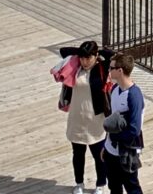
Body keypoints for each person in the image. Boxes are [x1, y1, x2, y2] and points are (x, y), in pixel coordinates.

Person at [58, 40, 114, 194]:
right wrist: (82, 51)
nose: (84, 61)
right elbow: (63, 50)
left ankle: (100, 185)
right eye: (82, 57)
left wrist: (98, 53)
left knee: (99, 156)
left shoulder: (102, 68)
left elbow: (114, 56)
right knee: (78, 155)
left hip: (96, 121)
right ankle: (79, 183)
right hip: (77, 119)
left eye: (88, 58)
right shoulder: (75, 67)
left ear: (96, 56)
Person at [103, 53, 145, 194]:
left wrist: (115, 138)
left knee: (132, 188)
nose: (109, 70)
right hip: (111, 151)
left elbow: (134, 129)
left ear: (120, 70)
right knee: (114, 187)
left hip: (127, 151)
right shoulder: (115, 89)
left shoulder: (134, 95)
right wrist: (106, 145)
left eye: (111, 67)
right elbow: (113, 121)